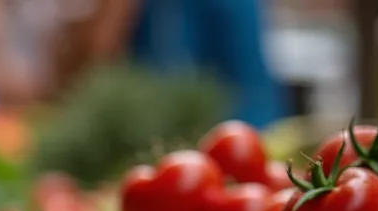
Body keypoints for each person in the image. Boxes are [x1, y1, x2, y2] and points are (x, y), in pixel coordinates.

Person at [60, 0, 284, 128]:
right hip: (148, 142)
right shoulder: (139, 10)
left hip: (218, 136)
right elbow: (93, 67)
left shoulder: (230, 7)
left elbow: (253, 95)